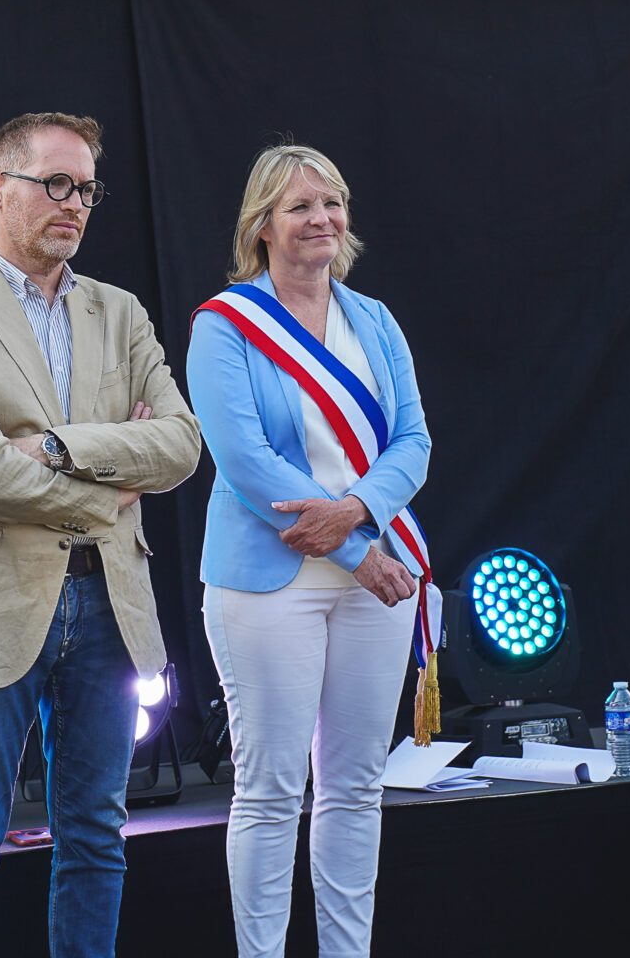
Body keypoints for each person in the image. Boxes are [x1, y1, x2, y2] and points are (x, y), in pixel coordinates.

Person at [0, 111, 204, 958]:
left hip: (109, 601)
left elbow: (181, 445)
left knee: (97, 832)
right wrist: (111, 487)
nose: (75, 204)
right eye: (56, 183)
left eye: (87, 190)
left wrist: (58, 446)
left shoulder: (120, 310)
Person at [187, 145, 431, 958]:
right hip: (274, 580)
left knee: (356, 788)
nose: (321, 218)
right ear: (262, 226)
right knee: (269, 792)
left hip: (376, 577)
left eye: (331, 202)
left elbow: (414, 442)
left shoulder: (376, 320)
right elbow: (246, 461)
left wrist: (357, 513)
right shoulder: (224, 326)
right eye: (299, 206)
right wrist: (357, 550)